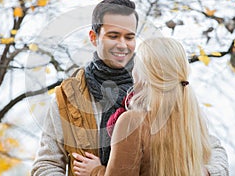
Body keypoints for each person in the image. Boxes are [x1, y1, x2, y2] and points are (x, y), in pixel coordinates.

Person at [31, 0, 229, 176]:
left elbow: (214, 150)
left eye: (129, 37)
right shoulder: (68, 97)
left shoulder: (160, 84)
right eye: (113, 36)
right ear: (94, 37)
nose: (122, 45)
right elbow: (46, 165)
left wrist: (202, 172)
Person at [71, 37, 227, 176]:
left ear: (145, 74)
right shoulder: (193, 119)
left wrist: (95, 171)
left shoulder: (132, 122)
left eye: (137, 64)